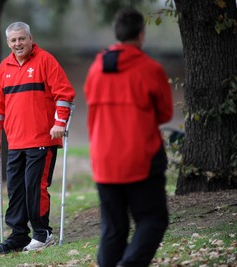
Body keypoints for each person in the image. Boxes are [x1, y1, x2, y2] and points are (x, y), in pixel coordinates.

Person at [83, 8, 173, 267]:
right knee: (152, 219)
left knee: (114, 228)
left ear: (117, 34)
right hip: (139, 157)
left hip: (104, 159)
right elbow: (165, 113)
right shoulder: (149, 69)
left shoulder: (96, 69)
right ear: (141, 35)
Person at [0, 21, 76, 255]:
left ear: (30, 39)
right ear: (8, 43)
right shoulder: (3, 68)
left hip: (42, 140)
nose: (18, 43)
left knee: (35, 187)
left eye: (22, 39)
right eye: (14, 40)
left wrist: (59, 123)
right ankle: (18, 235)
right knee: (16, 189)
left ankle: (42, 233)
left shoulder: (46, 60)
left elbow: (64, 94)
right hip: (15, 142)